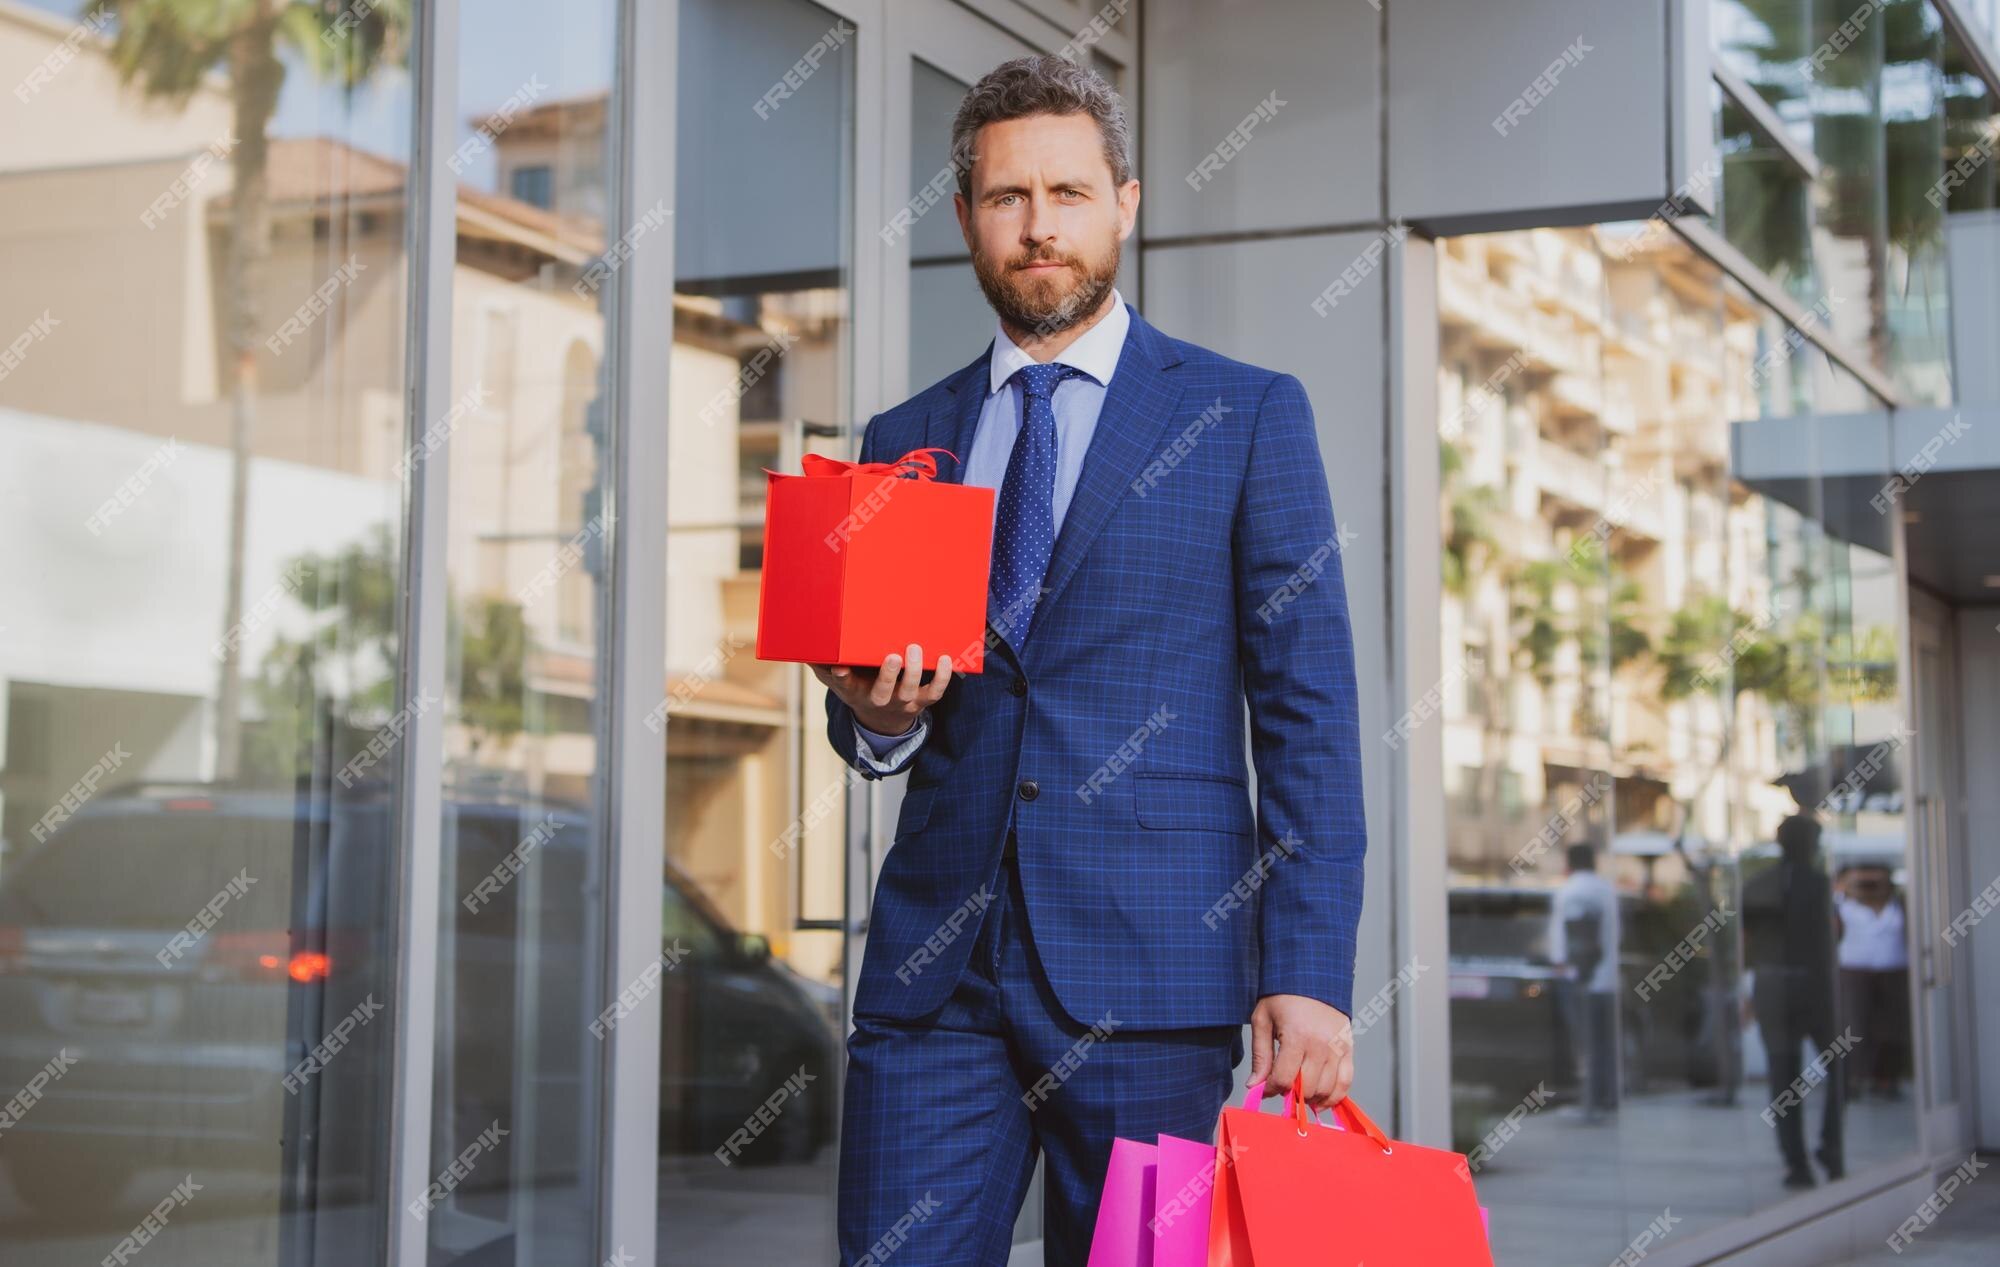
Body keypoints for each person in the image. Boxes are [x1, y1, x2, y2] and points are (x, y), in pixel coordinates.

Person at [811, 55, 1367, 1267]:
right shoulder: (903, 439)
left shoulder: (1243, 415)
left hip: (1153, 985)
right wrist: (873, 714)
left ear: (1125, 201)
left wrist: (1310, 972)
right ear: (963, 218)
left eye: (1067, 193)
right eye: (1007, 197)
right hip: (932, 983)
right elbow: (872, 720)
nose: (1037, 226)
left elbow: (1308, 714)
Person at [1743, 812, 1845, 1188]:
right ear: (1810, 847)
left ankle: (1796, 1165)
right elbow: (1833, 935)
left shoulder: (1756, 885)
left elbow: (1746, 943)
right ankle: (1830, 1149)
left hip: (1772, 989)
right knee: (1840, 1069)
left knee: (1783, 1079)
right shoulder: (1819, 885)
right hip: (1814, 989)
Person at [1548, 843, 1620, 1121]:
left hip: (1578, 977)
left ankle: (1588, 1099)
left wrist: (1562, 962)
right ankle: (1605, 1097)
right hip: (1607, 978)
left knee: (1583, 1042)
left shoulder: (1570, 892)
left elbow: (1566, 937)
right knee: (1605, 1042)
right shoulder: (1606, 891)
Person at [1835, 864, 1910, 1100]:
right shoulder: (1841, 906)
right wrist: (1844, 890)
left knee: (1892, 1025)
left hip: (1894, 971)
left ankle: (1887, 1079)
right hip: (1854, 972)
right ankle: (1856, 1078)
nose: (1868, 888)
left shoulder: (1901, 905)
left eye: (1874, 883)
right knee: (1855, 1026)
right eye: (1862, 883)